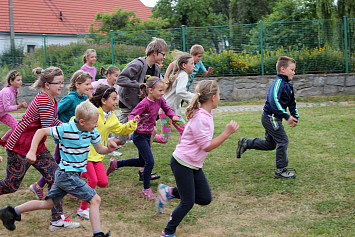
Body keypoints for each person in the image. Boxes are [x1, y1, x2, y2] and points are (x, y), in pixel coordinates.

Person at [0, 100, 116, 237]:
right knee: (95, 199)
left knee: (49, 204)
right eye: (95, 121)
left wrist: (108, 149)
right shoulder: (65, 129)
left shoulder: (92, 132)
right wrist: (32, 151)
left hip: (67, 175)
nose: (97, 124)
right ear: (83, 122)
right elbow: (40, 131)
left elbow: (99, 149)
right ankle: (98, 234)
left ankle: (11, 212)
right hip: (67, 175)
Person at [0, 67, 80, 230]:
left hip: (36, 146)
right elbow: (48, 127)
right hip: (21, 146)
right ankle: (7, 214)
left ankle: (57, 220)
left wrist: (69, 127)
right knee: (10, 185)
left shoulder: (50, 98)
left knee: (55, 176)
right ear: (46, 85)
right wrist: (70, 132)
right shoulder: (44, 100)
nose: (61, 86)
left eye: (62, 82)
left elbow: (52, 120)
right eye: (57, 83)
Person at [157, 80, 239, 237]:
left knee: (204, 198)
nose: (220, 98)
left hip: (193, 164)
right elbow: (206, 146)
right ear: (213, 98)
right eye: (219, 95)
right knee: (187, 202)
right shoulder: (201, 117)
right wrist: (226, 132)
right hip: (182, 162)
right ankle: (167, 232)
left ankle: (169, 192)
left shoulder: (206, 113)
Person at [107, 76, 179, 200]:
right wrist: (132, 120)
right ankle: (146, 189)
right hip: (139, 136)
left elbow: (167, 108)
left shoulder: (160, 100)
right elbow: (133, 114)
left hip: (147, 135)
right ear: (150, 90)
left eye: (163, 91)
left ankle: (116, 164)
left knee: (142, 161)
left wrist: (173, 116)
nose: (162, 93)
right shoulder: (144, 103)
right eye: (160, 91)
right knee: (149, 162)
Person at [77, 84, 138, 220]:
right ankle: (82, 209)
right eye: (114, 99)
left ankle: (78, 176)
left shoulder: (111, 116)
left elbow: (121, 129)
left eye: (117, 99)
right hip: (85, 153)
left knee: (103, 182)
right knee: (92, 180)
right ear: (104, 100)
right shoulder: (92, 111)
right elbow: (75, 121)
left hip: (98, 154)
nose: (117, 102)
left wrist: (132, 123)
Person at [29, 70, 93, 199]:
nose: (90, 87)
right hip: (65, 136)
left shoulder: (84, 98)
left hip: (76, 137)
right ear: (77, 84)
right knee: (61, 161)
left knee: (70, 160)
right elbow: (54, 112)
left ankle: (44, 186)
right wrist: (63, 127)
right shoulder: (69, 99)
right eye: (87, 84)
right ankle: (43, 186)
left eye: (90, 84)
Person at [236, 56, 299, 179]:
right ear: (282, 69)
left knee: (270, 144)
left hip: (274, 118)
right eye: (292, 69)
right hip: (271, 117)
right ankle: (280, 170)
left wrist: (295, 116)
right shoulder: (278, 84)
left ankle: (246, 143)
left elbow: (292, 103)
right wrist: (286, 116)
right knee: (283, 141)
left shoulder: (288, 86)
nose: (294, 72)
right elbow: (274, 101)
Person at [116, 37, 169, 180]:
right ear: (154, 52)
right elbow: (120, 79)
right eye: (163, 54)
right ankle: (102, 141)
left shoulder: (156, 68)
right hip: (129, 105)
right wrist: (140, 85)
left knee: (151, 131)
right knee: (119, 140)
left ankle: (143, 168)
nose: (164, 57)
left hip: (143, 106)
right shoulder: (137, 64)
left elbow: (155, 88)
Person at [154, 53, 195, 144]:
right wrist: (195, 97)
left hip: (169, 111)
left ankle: (145, 136)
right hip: (169, 112)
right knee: (186, 133)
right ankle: (144, 136)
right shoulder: (183, 75)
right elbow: (180, 91)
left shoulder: (180, 74)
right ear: (184, 65)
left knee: (164, 138)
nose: (194, 66)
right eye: (192, 63)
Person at [0, 70, 27, 146]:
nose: (20, 82)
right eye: (18, 80)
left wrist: (19, 104)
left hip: (3, 114)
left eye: (21, 80)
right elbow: (7, 108)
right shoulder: (6, 92)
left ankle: (3, 140)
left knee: (17, 127)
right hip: (4, 112)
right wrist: (19, 106)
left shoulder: (14, 91)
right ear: (11, 82)